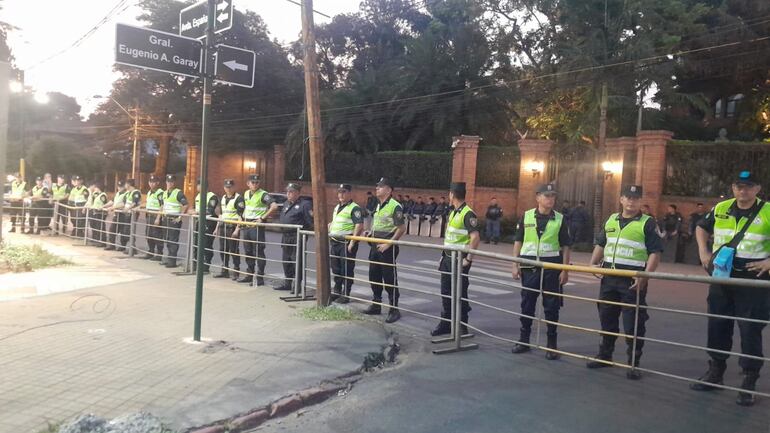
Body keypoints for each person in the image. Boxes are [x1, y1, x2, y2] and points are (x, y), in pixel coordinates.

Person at [692, 171, 770, 406]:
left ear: (757, 189)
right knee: (717, 324)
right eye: (739, 186)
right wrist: (703, 252)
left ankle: (749, 380)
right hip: (722, 277)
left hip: (752, 281)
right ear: (733, 187)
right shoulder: (721, 207)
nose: (743, 191)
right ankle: (715, 372)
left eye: (748, 186)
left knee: (749, 330)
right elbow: (701, 227)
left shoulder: (767, 211)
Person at [586, 185, 662, 380]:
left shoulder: (648, 223)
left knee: (633, 322)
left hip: (631, 280)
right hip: (609, 278)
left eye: (635, 198)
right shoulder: (611, 219)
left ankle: (633, 362)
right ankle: (605, 355)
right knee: (607, 317)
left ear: (640, 201)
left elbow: (655, 252)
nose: (631, 201)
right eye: (628, 197)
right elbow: (602, 243)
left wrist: (646, 275)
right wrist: (593, 263)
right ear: (621, 199)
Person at [510, 184, 572, 359]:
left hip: (552, 265)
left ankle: (552, 346)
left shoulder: (560, 218)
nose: (550, 199)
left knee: (551, 306)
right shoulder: (527, 216)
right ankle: (524, 340)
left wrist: (565, 270)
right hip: (529, 264)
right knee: (527, 302)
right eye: (547, 196)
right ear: (538, 197)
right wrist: (515, 264)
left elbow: (566, 246)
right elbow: (518, 241)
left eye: (553, 196)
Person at [431, 182, 481, 336]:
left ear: (452, 195)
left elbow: (475, 238)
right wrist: (442, 256)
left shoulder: (468, 213)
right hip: (447, 258)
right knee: (446, 292)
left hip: (460, 259)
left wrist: (469, 259)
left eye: (449, 193)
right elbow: (450, 238)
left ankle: (462, 325)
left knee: (460, 293)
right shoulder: (453, 212)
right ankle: (446, 323)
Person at [363, 177, 406, 323]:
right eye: (377, 187)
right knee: (374, 275)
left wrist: (389, 243)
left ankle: (394, 309)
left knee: (389, 278)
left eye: (380, 187)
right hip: (375, 246)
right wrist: (370, 232)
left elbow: (401, 228)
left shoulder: (395, 206)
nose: (377, 189)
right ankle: (376, 304)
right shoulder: (378, 205)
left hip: (387, 248)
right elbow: (379, 223)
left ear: (388, 190)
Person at [239, 174, 278, 285]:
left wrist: (262, 218)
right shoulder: (246, 193)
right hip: (247, 225)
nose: (255, 184)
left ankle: (259, 277)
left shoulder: (263, 194)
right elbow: (242, 207)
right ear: (248, 183)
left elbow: (274, 206)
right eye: (253, 182)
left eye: (257, 182)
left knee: (258, 252)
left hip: (256, 226)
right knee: (248, 251)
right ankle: (250, 275)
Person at [329, 184, 365, 303]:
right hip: (335, 242)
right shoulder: (337, 207)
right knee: (336, 268)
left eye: (344, 192)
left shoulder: (355, 208)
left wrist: (352, 242)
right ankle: (337, 291)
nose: (341, 194)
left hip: (346, 242)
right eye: (339, 192)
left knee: (346, 269)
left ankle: (346, 294)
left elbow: (359, 225)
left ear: (350, 193)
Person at [275, 183, 314, 291]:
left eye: (291, 191)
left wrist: (303, 233)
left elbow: (310, 222)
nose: (288, 193)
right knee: (286, 260)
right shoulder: (286, 203)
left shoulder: (305, 204)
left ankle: (297, 286)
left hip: (297, 236)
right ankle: (288, 283)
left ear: (298, 193)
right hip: (286, 236)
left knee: (296, 262)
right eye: (287, 191)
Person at [215, 179, 244, 280]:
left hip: (232, 227)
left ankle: (236, 271)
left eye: (230, 187)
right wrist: (217, 228)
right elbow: (221, 215)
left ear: (234, 187)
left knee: (234, 250)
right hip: (224, 226)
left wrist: (237, 229)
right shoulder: (222, 198)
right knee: (223, 249)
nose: (228, 189)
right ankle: (224, 270)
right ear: (224, 187)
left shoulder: (238, 198)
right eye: (226, 187)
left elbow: (241, 216)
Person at [190, 179, 219, 274]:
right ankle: (196, 263)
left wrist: (197, 212)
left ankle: (206, 265)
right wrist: (192, 211)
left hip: (209, 223)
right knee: (197, 243)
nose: (197, 187)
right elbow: (194, 208)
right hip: (199, 222)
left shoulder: (212, 197)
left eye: (198, 185)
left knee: (207, 244)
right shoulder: (198, 196)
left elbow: (210, 211)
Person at [160, 174, 188, 268]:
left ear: (174, 183)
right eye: (168, 181)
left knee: (173, 241)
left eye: (171, 182)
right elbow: (163, 206)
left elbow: (185, 205)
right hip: (166, 219)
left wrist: (180, 217)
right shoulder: (164, 193)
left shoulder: (178, 193)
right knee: (167, 239)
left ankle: (172, 261)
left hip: (173, 220)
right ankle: (169, 259)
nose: (169, 183)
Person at [143, 175, 165, 260]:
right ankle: (150, 251)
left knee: (157, 235)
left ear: (157, 183)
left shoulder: (160, 193)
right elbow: (148, 203)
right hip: (149, 216)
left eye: (153, 182)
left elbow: (162, 205)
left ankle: (159, 254)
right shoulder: (149, 192)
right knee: (149, 234)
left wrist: (158, 218)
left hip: (155, 216)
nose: (151, 184)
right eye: (150, 182)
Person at [104, 181, 128, 251]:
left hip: (123, 215)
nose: (119, 188)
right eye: (118, 186)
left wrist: (113, 208)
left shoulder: (126, 194)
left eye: (121, 186)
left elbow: (123, 204)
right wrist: (103, 206)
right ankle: (112, 245)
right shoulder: (117, 193)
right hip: (116, 214)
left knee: (123, 231)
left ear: (124, 187)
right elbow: (112, 202)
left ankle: (123, 246)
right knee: (112, 230)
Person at [120, 179, 141, 252]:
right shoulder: (127, 193)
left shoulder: (136, 192)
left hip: (133, 214)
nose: (125, 186)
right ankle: (131, 247)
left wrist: (127, 208)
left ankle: (132, 248)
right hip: (127, 214)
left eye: (125, 184)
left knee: (130, 230)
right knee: (126, 231)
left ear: (129, 184)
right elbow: (124, 203)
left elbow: (134, 203)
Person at [87, 182, 109, 247]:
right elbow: (91, 201)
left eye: (96, 187)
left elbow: (104, 204)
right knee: (94, 226)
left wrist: (101, 207)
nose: (94, 189)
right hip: (95, 212)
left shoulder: (103, 195)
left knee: (100, 227)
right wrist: (91, 193)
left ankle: (102, 242)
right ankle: (96, 239)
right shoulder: (96, 194)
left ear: (98, 188)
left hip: (100, 213)